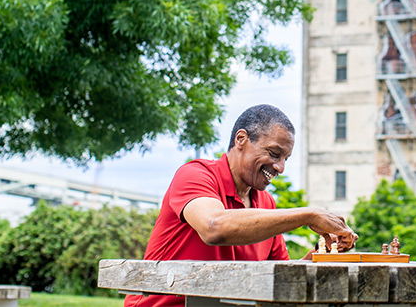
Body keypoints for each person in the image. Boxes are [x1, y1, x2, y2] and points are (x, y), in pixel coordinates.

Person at [125, 104, 358, 307]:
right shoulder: (195, 175)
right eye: (274, 154)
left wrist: (323, 254)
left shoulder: (266, 204)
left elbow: (280, 276)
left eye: (286, 159)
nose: (280, 167)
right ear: (241, 139)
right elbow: (214, 227)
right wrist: (308, 215)